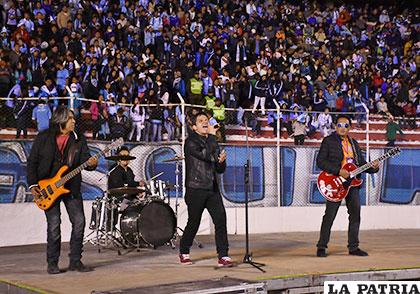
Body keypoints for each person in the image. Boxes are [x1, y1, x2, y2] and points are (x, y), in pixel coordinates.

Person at [27, 105, 98, 274]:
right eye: (71, 118)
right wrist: (33, 185)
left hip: (71, 188)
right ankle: (52, 263)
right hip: (47, 188)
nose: (74, 121)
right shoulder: (44, 137)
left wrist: (92, 164)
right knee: (54, 225)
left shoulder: (78, 139)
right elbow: (32, 162)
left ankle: (75, 261)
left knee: (79, 222)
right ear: (61, 120)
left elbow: (85, 160)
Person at [316, 114, 379, 257]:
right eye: (339, 125)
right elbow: (320, 162)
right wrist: (339, 171)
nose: (342, 128)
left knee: (355, 215)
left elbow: (361, 165)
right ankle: (321, 246)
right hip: (335, 183)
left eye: (345, 125)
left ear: (349, 127)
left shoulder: (354, 143)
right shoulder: (328, 141)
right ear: (335, 127)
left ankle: (353, 247)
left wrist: (374, 167)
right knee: (329, 216)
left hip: (353, 185)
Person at [179, 112, 232, 267]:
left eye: (206, 120)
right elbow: (205, 155)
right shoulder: (190, 142)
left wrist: (221, 162)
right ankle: (184, 250)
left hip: (212, 187)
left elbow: (219, 167)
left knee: (221, 220)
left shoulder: (212, 140)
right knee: (194, 222)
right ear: (194, 127)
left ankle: (223, 254)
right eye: (201, 121)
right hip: (196, 188)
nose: (205, 122)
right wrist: (211, 136)